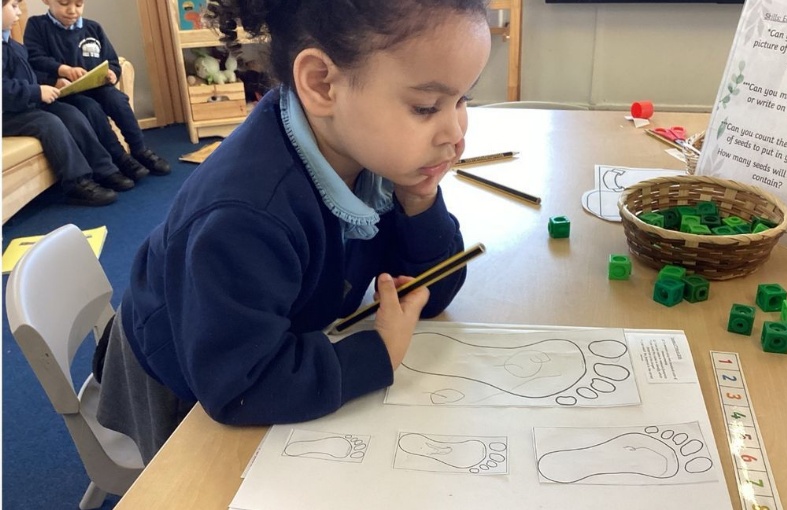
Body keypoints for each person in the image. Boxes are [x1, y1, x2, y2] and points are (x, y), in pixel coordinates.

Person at [94, 0, 492, 463]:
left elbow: (429, 293)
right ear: (322, 84)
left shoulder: (368, 152)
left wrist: (419, 204)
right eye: (426, 107)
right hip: (183, 373)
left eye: (462, 100)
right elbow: (239, 387)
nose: (456, 134)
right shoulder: (245, 216)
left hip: (279, 329)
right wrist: (378, 352)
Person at [2, 0, 133, 206]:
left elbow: (27, 75)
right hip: (8, 114)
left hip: (26, 103)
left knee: (72, 114)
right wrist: (36, 91)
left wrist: (49, 84)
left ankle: (105, 170)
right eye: (13, 7)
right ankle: (76, 183)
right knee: (49, 124)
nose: (19, 13)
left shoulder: (11, 44)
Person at [24, 0, 171, 181]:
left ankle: (140, 149)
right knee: (90, 108)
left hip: (97, 87)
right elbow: (35, 59)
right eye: (64, 3)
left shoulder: (93, 28)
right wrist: (62, 71)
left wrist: (112, 73)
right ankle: (120, 157)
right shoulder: (36, 25)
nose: (72, 10)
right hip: (68, 94)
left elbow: (112, 61)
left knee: (117, 100)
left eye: (79, 5)